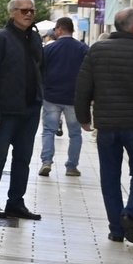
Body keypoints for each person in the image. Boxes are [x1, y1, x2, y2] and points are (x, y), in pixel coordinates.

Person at [75, 7, 133, 244]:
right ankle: (130, 212)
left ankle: (116, 229)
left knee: (110, 177)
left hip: (107, 125)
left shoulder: (97, 51)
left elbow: (83, 86)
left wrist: (83, 117)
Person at [0, 0, 45, 220]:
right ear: (12, 12)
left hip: (30, 109)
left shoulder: (34, 38)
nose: (28, 14)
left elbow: (39, 68)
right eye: (23, 10)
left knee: (23, 158)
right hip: (5, 111)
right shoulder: (0, 39)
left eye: (32, 11)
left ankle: (16, 202)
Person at [39, 16, 87, 179]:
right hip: (74, 97)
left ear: (59, 29)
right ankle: (71, 166)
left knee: (48, 131)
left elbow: (41, 70)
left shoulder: (49, 49)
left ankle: (46, 162)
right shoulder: (83, 49)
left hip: (51, 96)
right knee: (75, 133)